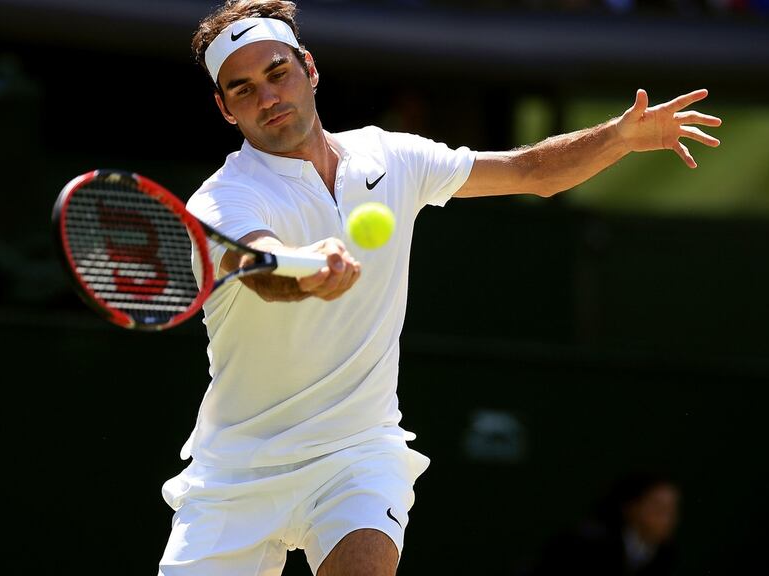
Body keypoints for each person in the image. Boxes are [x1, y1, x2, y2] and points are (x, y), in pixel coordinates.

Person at [160, 2, 722, 574]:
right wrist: (306, 265)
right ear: (224, 108)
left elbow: (532, 172)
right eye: (244, 89)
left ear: (309, 69)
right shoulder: (222, 200)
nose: (268, 98)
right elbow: (262, 271)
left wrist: (619, 136)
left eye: (278, 73)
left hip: (356, 454)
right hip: (237, 476)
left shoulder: (391, 156)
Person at [534, 473, 681, 576]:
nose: (669, 519)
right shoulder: (586, 544)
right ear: (631, 508)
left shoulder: (664, 553)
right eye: (659, 509)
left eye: (672, 510)